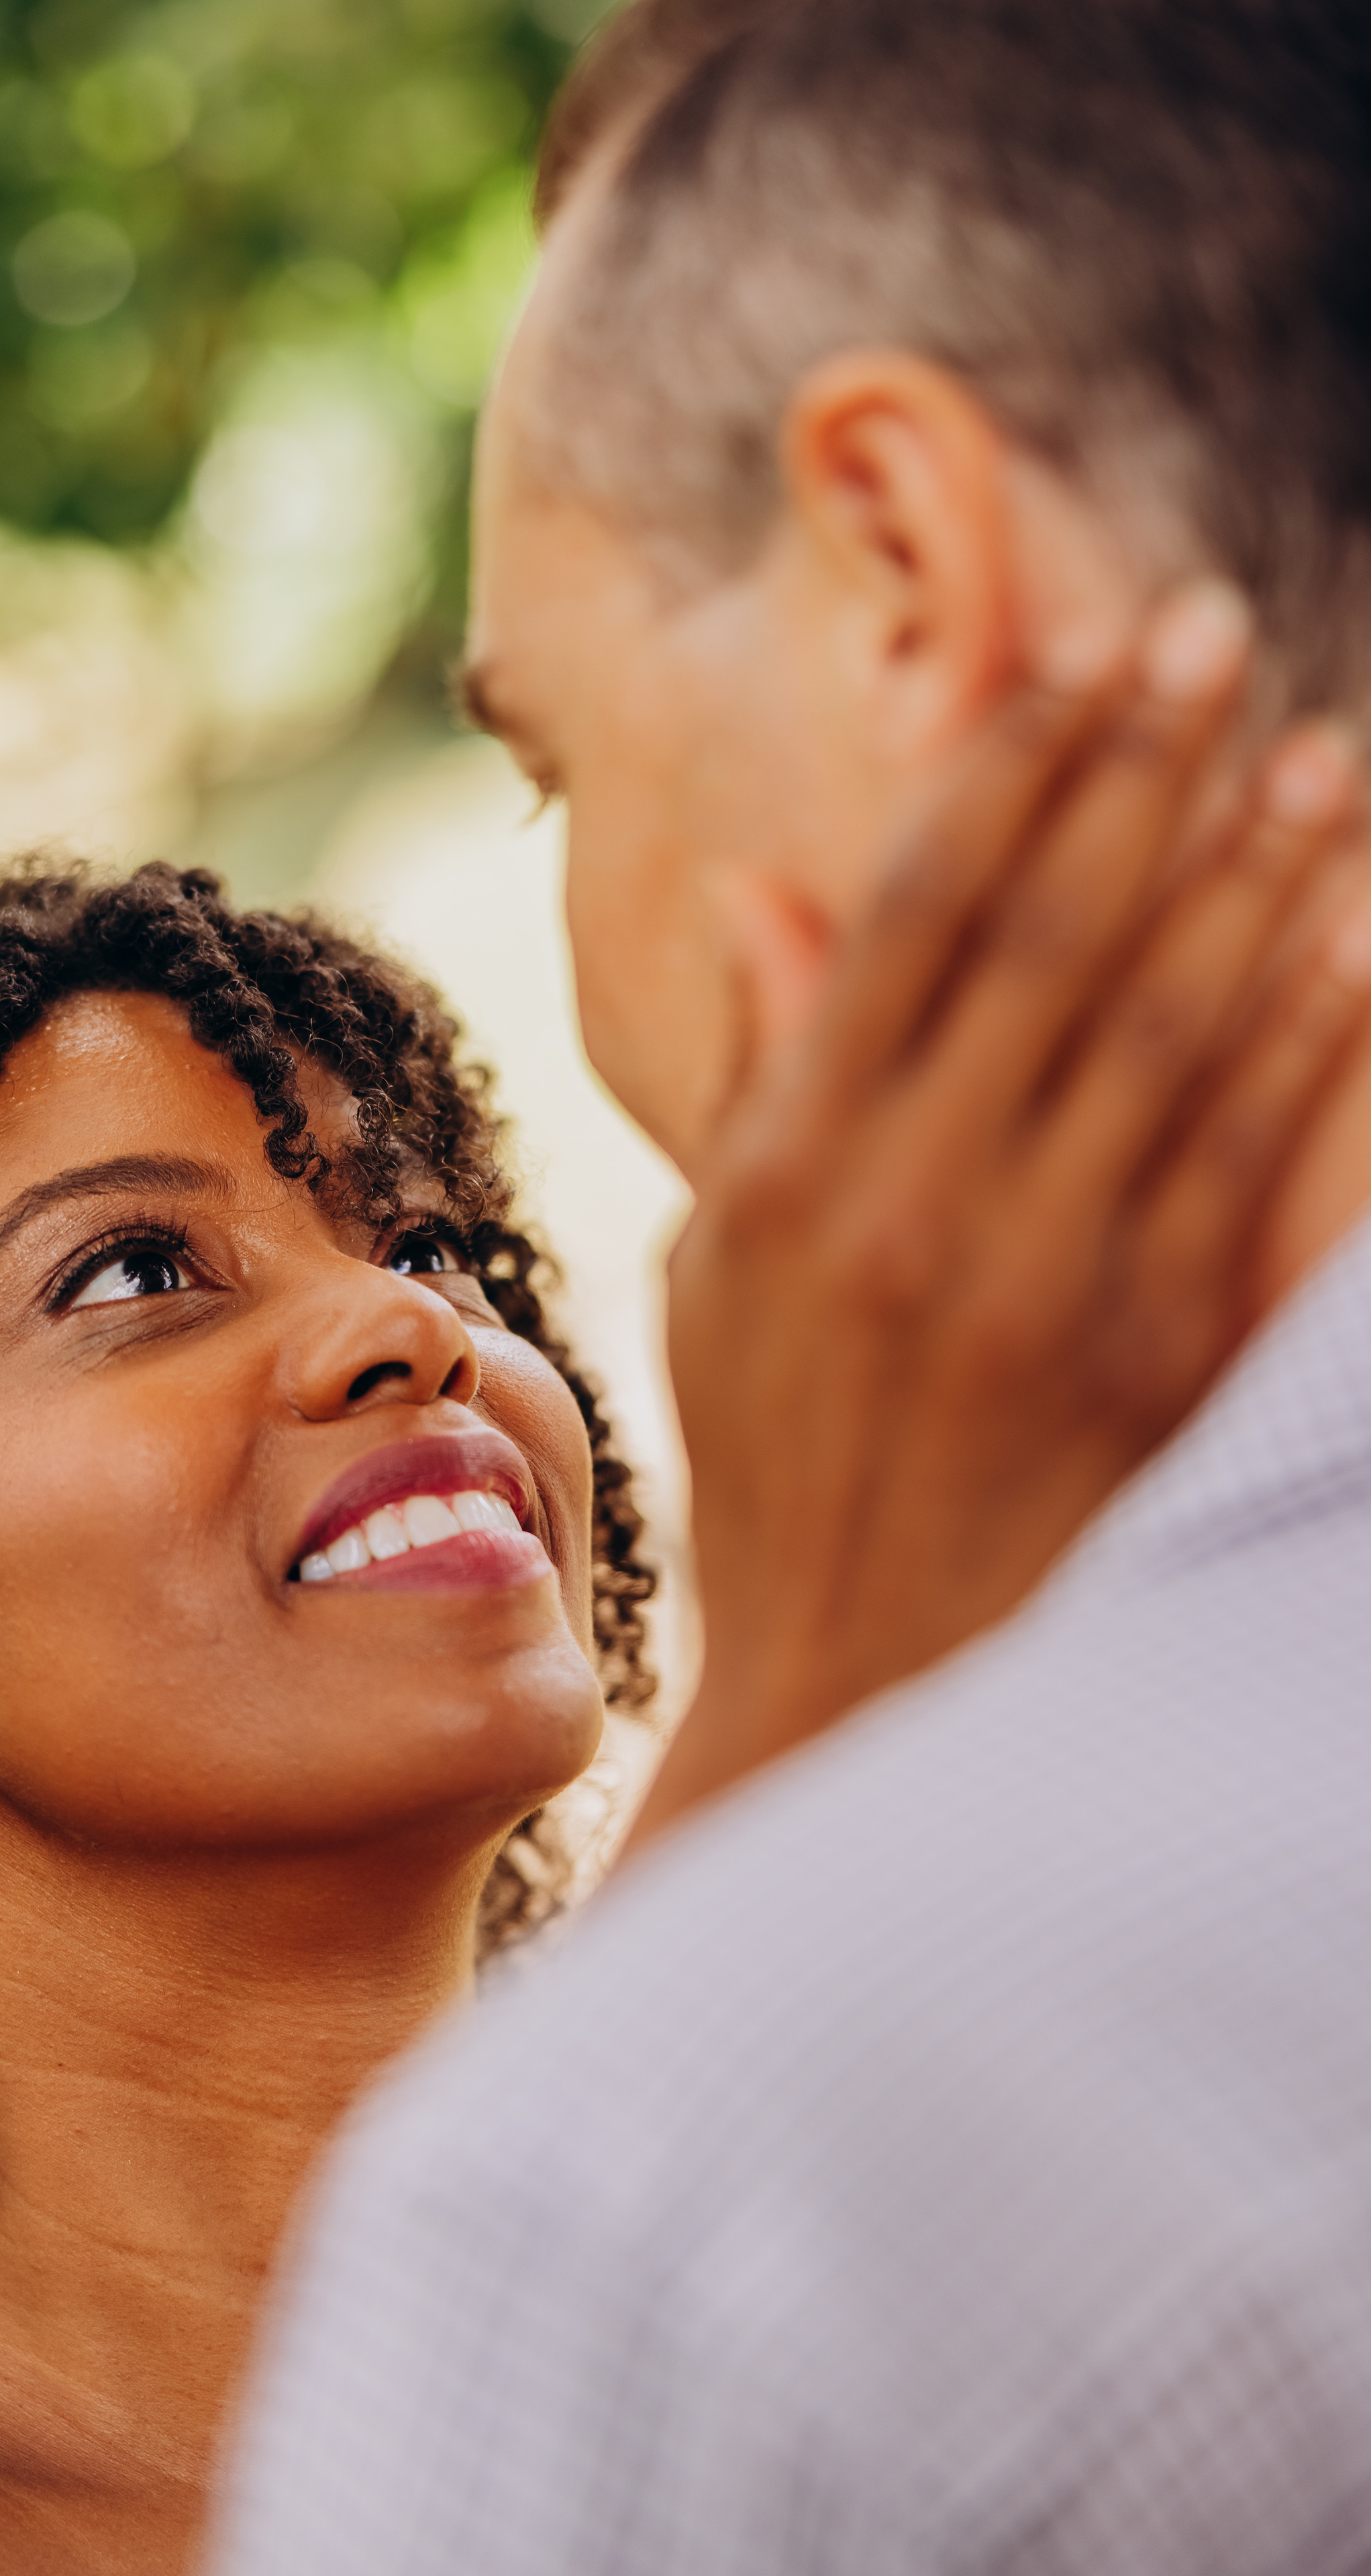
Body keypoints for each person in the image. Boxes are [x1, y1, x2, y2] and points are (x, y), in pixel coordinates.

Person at [0, 740, 1356, 2574]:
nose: (401, 1322)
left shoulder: (986, 2312)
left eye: (425, 1240)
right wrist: (798, 1698)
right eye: (135, 1273)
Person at [211, 5, 1371, 2571]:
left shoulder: (670, 2204)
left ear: (898, 576)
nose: (402, 1332)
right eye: (141, 1269)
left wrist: (805, 1759)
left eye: (559, 759)